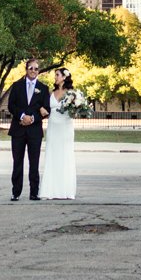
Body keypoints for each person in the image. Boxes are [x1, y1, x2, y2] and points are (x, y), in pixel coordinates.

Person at [5, 58, 53, 201]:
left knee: (34, 162)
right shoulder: (17, 85)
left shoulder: (43, 88)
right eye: (31, 68)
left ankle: (34, 192)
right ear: (26, 70)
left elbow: (46, 109)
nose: (33, 71)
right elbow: (11, 105)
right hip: (18, 130)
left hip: (34, 131)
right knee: (17, 162)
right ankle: (16, 192)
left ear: (39, 71)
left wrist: (32, 118)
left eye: (36, 68)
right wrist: (21, 116)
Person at [39, 67, 79, 200]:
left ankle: (66, 191)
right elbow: (46, 108)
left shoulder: (72, 93)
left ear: (64, 77)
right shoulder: (51, 92)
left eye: (57, 75)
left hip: (65, 128)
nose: (55, 77)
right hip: (52, 128)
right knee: (52, 156)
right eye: (55, 75)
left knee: (65, 156)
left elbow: (75, 112)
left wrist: (76, 109)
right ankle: (50, 191)